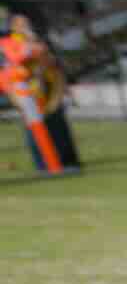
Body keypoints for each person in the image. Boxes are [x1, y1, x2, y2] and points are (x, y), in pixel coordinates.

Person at [4, 13, 82, 175]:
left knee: (57, 123)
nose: (26, 26)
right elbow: (16, 59)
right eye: (22, 24)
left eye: (27, 23)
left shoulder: (36, 40)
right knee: (35, 127)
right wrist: (30, 46)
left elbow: (48, 59)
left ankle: (66, 160)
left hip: (48, 86)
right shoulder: (8, 42)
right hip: (27, 90)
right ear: (13, 26)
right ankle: (44, 163)